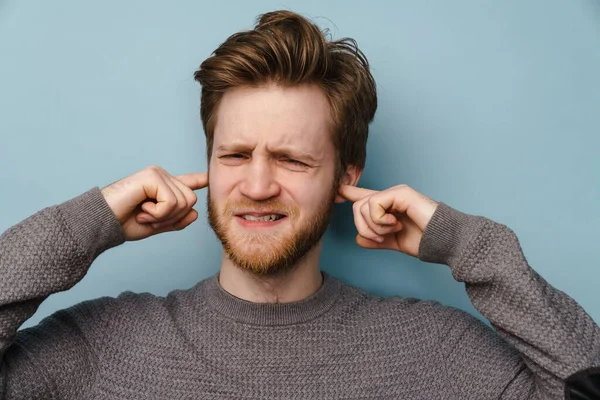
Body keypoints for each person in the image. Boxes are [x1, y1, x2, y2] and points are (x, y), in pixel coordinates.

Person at [0, 10, 598, 400]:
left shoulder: (432, 352)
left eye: (291, 160)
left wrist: (472, 246)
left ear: (346, 175)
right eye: (234, 155)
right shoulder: (104, 345)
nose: (257, 186)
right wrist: (85, 225)